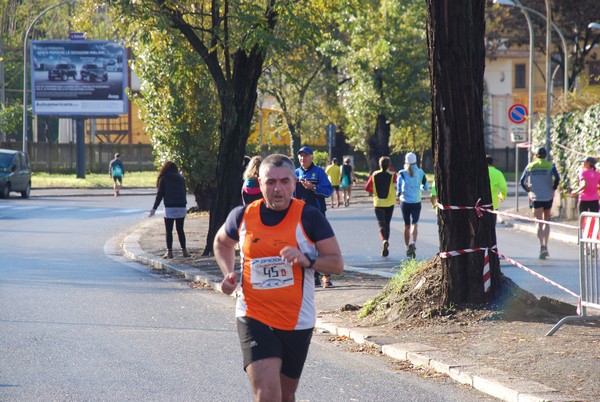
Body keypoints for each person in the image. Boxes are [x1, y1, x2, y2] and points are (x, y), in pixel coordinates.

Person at [213, 153, 344, 401]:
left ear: (294, 183)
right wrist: (228, 272)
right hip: (253, 313)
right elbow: (221, 243)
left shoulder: (309, 216)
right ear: (259, 183)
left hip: (296, 319)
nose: (278, 189)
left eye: (284, 181)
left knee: (285, 394)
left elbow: (336, 264)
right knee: (267, 393)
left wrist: (308, 261)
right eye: (270, 182)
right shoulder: (242, 216)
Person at [294, 146, 334, 288]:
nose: (302, 159)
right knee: (304, 245)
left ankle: (326, 277)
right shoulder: (296, 173)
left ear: (311, 157)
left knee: (320, 244)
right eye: (300, 156)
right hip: (300, 215)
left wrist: (313, 188)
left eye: (305, 156)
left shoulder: (319, 172)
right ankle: (312, 277)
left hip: (317, 214)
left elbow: (328, 191)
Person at [520, 147, 560, 259]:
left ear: (536, 155)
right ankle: (546, 246)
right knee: (546, 221)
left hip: (535, 197)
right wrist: (553, 187)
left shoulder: (531, 166)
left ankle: (541, 246)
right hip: (548, 196)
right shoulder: (550, 165)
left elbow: (522, 181)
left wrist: (528, 190)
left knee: (538, 222)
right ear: (546, 155)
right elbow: (557, 178)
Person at [148, 161, 190, 259]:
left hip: (170, 206)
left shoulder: (164, 178)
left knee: (169, 230)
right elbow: (184, 191)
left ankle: (169, 252)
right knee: (180, 230)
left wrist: (154, 208)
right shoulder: (181, 178)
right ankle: (184, 251)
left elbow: (160, 195)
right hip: (181, 206)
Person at [396, 152, 428, 259]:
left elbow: (399, 189)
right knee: (415, 224)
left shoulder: (402, 173)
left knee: (407, 225)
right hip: (416, 201)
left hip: (405, 202)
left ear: (405, 161)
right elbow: (426, 187)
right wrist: (418, 189)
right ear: (416, 161)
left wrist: (399, 194)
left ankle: (406, 246)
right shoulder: (421, 172)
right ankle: (414, 244)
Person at [365, 156, 397, 257]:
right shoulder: (393, 175)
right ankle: (386, 241)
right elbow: (397, 183)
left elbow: (367, 187)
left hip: (378, 203)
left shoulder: (374, 175)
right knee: (387, 224)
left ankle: (384, 240)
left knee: (381, 225)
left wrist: (374, 191)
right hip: (390, 202)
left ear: (379, 165)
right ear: (389, 165)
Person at [487, 155, 508, 224]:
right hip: (493, 204)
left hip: (479, 204)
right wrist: (502, 196)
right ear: (492, 163)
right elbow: (503, 187)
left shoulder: (478, 173)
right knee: (492, 225)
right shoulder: (498, 173)